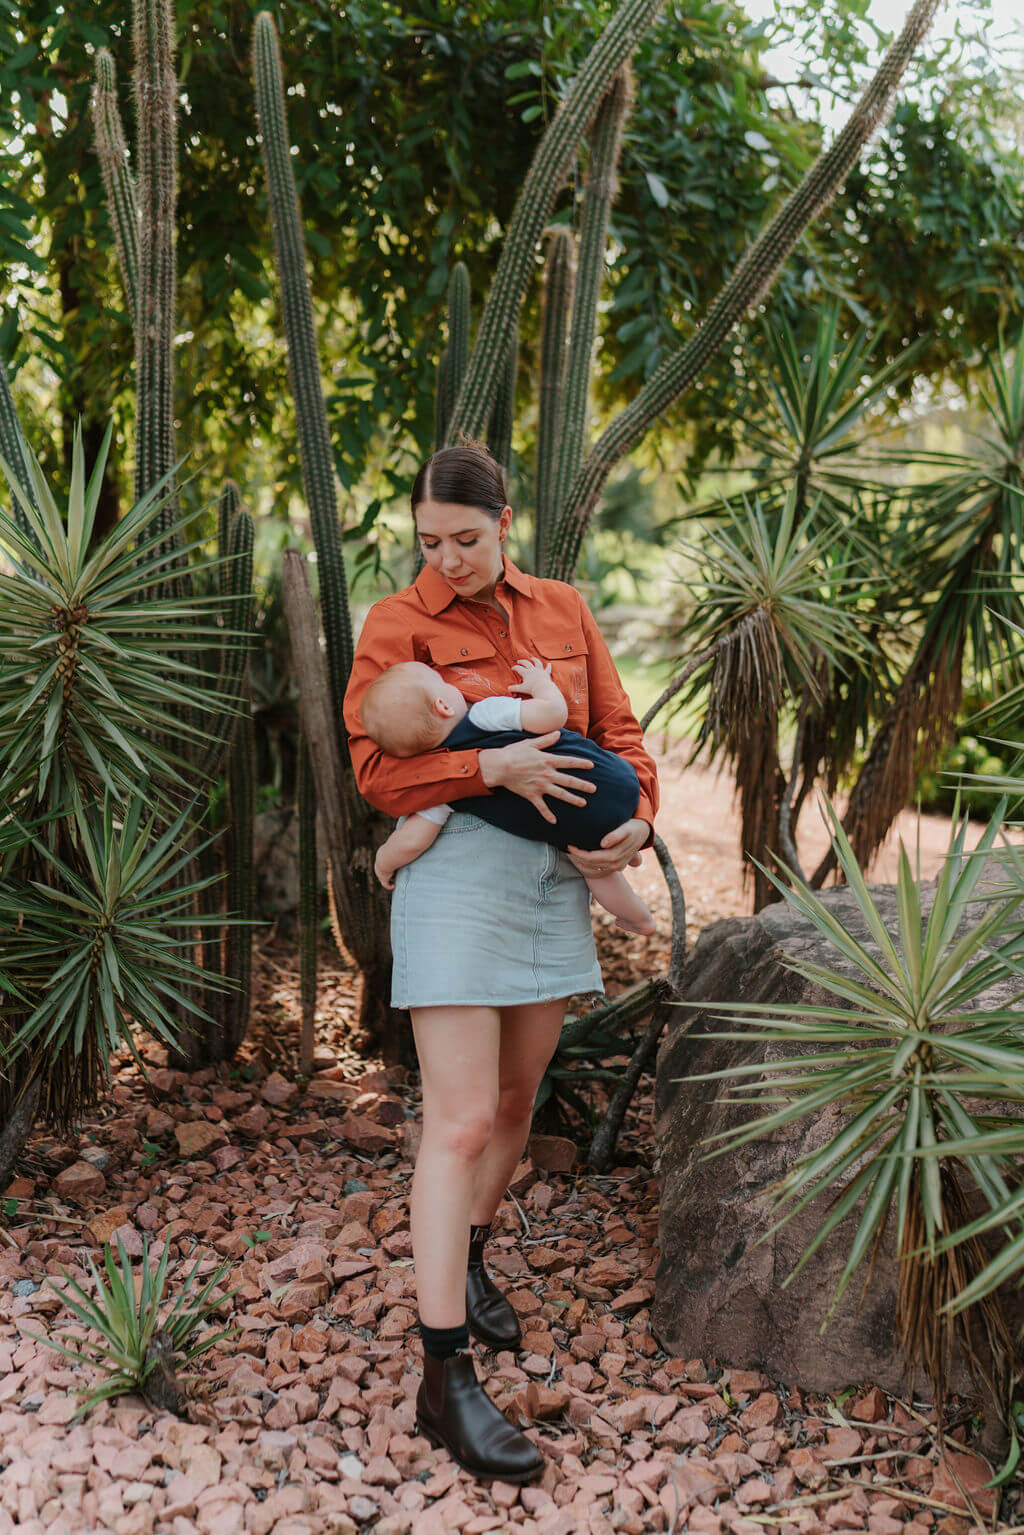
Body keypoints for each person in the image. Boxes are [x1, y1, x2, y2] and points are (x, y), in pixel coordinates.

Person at [343, 441, 659, 1483]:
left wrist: (635, 828)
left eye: (466, 539)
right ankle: (444, 1374)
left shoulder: (562, 609)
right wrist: (490, 762)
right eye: (431, 541)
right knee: (463, 1116)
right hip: (458, 874)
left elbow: (621, 735)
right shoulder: (397, 623)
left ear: (505, 521)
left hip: (555, 876)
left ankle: (472, 1260)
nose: (449, 558)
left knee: (520, 1100)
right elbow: (376, 767)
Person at [360, 656, 655, 935]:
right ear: (443, 705)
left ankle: (638, 918)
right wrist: (540, 684)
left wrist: (384, 861)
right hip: (612, 779)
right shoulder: (484, 714)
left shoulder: (447, 785)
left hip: (582, 829)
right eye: (445, 684)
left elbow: (413, 838)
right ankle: (637, 910)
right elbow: (553, 714)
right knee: (593, 858)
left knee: (594, 869)